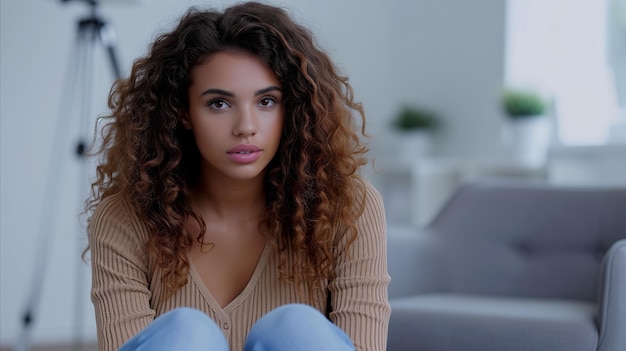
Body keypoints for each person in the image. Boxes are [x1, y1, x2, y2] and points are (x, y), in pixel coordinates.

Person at [86, 1, 390, 350]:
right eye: (219, 103)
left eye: (266, 102)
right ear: (183, 112)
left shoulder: (348, 208)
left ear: (293, 107)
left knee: (296, 328)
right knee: (186, 332)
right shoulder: (125, 218)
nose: (246, 127)